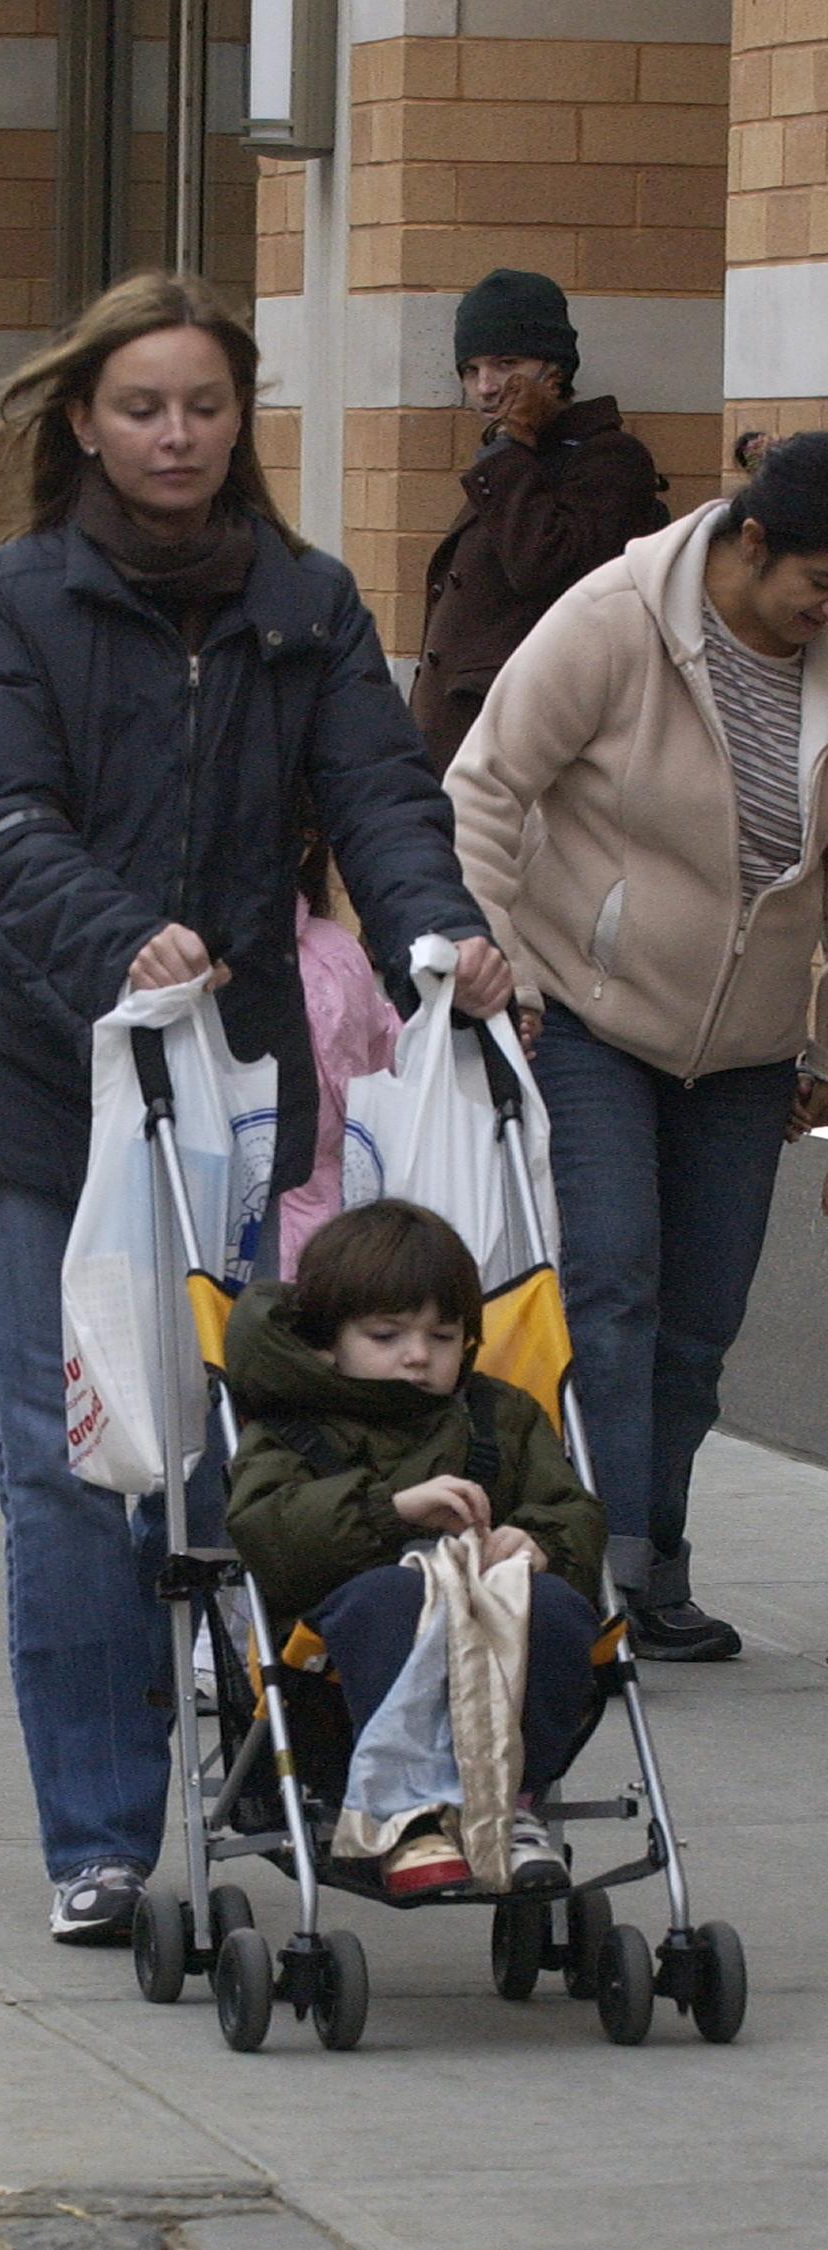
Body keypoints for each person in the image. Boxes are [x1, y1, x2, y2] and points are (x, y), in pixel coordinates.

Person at [0, 270, 511, 1944]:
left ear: (237, 421)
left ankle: (275, 1755)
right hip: (51, 1098)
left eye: (201, 406)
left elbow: (381, 796)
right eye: (139, 408)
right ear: (86, 423)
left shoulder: (304, 603)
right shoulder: (13, 600)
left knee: (257, 1446)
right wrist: (121, 944)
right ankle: (99, 1839)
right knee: (82, 1459)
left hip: (246, 1103)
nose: (174, 436)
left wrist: (432, 934)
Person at [445, 430, 828, 1661]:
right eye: (818, 585)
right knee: (609, 1285)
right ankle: (590, 1565)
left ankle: (656, 1554)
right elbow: (485, 788)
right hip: (585, 1012)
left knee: (701, 1319)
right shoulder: (616, 617)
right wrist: (491, 965)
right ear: (751, 543)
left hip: (751, 1041)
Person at [226, 1199, 605, 1899]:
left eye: (442, 1336)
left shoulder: (500, 1415)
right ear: (326, 1341)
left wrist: (542, 1542)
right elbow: (269, 1532)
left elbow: (569, 1509)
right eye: (386, 1335)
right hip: (342, 1653)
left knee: (551, 1605)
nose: (417, 1355)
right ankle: (406, 1813)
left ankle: (513, 1805)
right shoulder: (294, 1426)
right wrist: (391, 1512)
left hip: (491, 1625)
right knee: (393, 1598)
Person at [410, 267, 664, 777]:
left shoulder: (606, 459)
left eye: (506, 364)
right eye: (471, 369)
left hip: (528, 751)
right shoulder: (512, 460)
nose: (485, 387)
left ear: (554, 372)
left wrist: (511, 445)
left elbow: (546, 568)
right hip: (460, 744)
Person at [280, 825, 399, 1281]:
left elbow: (381, 1058)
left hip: (338, 1221)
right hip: (235, 1224)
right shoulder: (194, 955)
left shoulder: (336, 952)